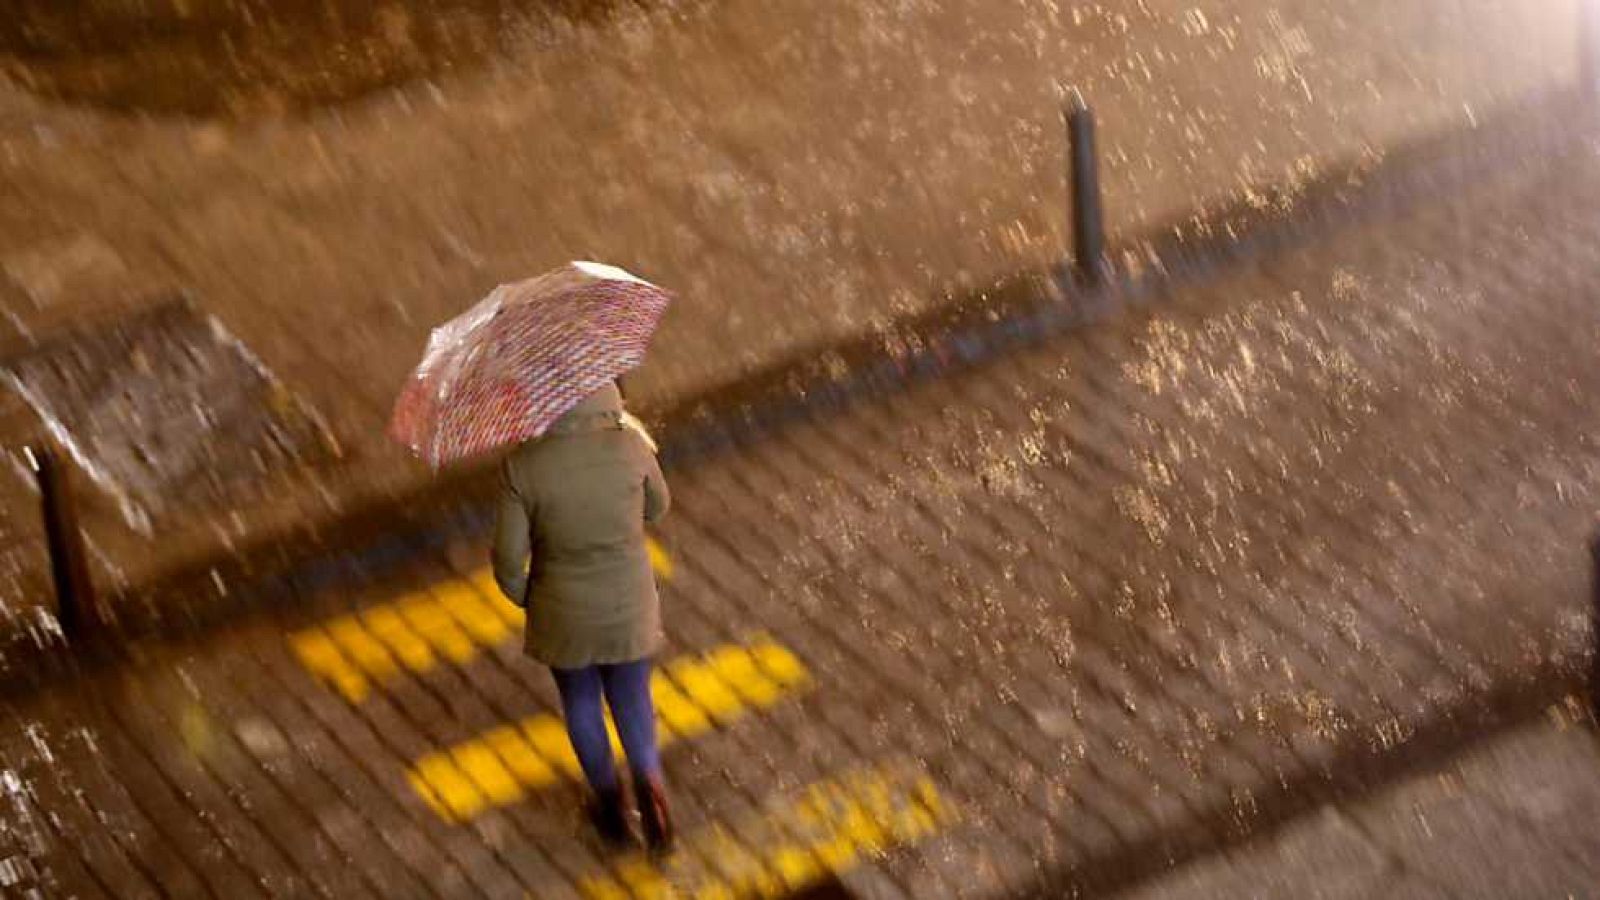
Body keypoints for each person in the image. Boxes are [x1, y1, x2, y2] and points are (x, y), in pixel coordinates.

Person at [491, 380, 673, 850]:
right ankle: (650, 784)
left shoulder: (522, 467)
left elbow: (507, 563)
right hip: (627, 603)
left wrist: (534, 599)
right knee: (632, 694)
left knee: (581, 701)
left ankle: (610, 803)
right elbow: (658, 507)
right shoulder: (630, 445)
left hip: (562, 613)